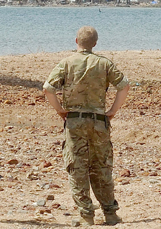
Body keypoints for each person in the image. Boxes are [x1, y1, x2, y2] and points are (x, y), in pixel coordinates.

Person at [43, 26, 129, 226]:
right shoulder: (104, 63)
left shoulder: (66, 63)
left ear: (76, 41)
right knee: (101, 166)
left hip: (75, 121)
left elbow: (48, 88)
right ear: (95, 44)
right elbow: (124, 86)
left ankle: (86, 215)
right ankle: (110, 213)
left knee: (77, 167)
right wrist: (112, 111)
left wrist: (60, 110)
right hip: (98, 121)